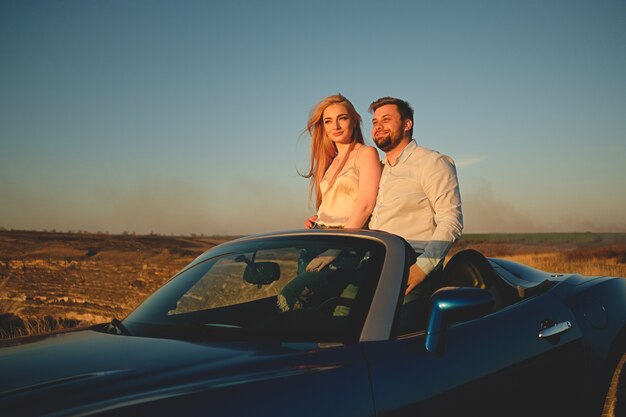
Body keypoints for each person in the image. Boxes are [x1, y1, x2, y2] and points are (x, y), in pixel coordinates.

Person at [277, 94, 381, 312]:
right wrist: (319, 217)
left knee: (290, 300)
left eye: (342, 118)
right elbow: (336, 201)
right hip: (317, 238)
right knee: (312, 311)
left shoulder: (366, 153)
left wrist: (336, 249)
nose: (335, 125)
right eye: (327, 121)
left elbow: (365, 204)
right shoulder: (330, 162)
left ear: (354, 121)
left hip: (346, 243)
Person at [367, 96, 463, 300]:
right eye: (375, 122)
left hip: (412, 264)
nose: (378, 126)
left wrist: (422, 267)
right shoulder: (377, 170)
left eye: (386, 120)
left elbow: (451, 220)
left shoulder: (431, 162)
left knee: (397, 330)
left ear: (407, 124)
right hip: (374, 263)